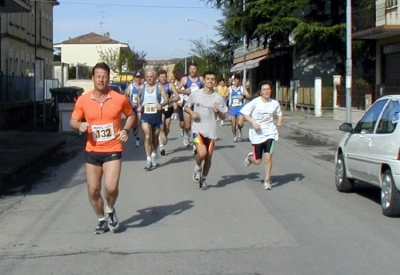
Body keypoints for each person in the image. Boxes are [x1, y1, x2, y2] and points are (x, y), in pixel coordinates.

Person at [70, 62, 136, 234]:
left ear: (108, 78)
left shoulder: (119, 98)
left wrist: (126, 130)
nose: (101, 79)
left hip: (113, 148)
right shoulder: (83, 99)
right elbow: (73, 120)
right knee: (93, 190)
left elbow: (131, 115)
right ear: (93, 78)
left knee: (111, 188)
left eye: (105, 76)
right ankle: (101, 219)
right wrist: (79, 126)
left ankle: (110, 208)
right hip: (92, 150)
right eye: (98, 76)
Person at [184, 70, 228, 190]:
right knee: (202, 153)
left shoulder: (218, 98)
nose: (210, 81)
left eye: (212, 79)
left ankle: (204, 179)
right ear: (203, 80)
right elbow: (186, 107)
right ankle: (197, 167)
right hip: (198, 129)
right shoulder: (195, 94)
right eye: (208, 79)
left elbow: (224, 116)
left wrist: (218, 111)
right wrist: (192, 113)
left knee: (208, 157)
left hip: (211, 131)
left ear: (215, 81)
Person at [241, 80, 283, 190]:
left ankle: (267, 180)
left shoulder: (274, 103)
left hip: (270, 133)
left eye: (268, 89)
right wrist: (253, 122)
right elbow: (244, 113)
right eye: (264, 90)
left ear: (271, 90)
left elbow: (279, 114)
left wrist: (279, 122)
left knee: (268, 157)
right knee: (257, 161)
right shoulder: (255, 102)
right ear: (260, 92)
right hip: (257, 135)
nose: (266, 91)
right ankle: (251, 158)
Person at [137, 69, 169, 170]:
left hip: (157, 116)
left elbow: (167, 99)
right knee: (147, 136)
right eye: (148, 77)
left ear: (154, 77)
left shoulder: (159, 87)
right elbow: (138, 96)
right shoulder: (142, 87)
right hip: (146, 116)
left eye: (151, 77)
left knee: (155, 138)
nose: (149, 78)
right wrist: (139, 105)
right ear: (145, 77)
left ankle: (154, 154)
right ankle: (148, 159)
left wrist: (161, 104)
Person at [177, 63, 204, 149]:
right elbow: (177, 89)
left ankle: (196, 143)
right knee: (188, 125)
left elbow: (207, 88)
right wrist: (184, 92)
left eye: (194, 69)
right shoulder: (185, 79)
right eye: (191, 69)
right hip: (187, 104)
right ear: (189, 70)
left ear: (197, 70)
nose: (192, 70)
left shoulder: (201, 79)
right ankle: (187, 136)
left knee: (197, 126)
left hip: (198, 105)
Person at [158, 70, 180, 156]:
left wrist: (171, 100)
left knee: (166, 128)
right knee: (161, 127)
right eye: (161, 77)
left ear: (166, 77)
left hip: (169, 108)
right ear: (158, 78)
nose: (163, 78)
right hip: (160, 108)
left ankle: (165, 136)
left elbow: (177, 96)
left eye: (164, 77)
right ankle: (161, 146)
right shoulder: (156, 86)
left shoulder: (170, 85)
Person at [228, 74, 251, 142]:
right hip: (232, 108)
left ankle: (240, 129)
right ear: (233, 81)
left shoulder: (242, 88)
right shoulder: (230, 88)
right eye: (235, 81)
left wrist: (243, 96)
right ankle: (235, 136)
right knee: (233, 124)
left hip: (240, 107)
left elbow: (249, 96)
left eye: (238, 81)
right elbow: (225, 95)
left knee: (240, 124)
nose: (237, 82)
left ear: (240, 81)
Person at [125, 72, 142, 147]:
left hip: (139, 106)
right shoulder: (131, 86)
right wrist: (131, 103)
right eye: (137, 77)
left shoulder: (143, 86)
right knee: (133, 123)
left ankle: (137, 140)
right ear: (135, 78)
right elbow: (126, 95)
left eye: (139, 77)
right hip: (132, 106)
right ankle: (134, 127)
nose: (138, 79)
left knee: (139, 123)